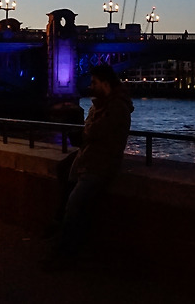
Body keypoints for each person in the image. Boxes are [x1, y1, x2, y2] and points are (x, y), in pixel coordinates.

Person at [48, 64, 134, 267]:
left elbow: (95, 132)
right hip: (88, 158)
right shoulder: (100, 105)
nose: (90, 86)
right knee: (65, 176)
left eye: (94, 83)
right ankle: (60, 232)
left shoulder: (117, 108)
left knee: (74, 206)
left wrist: (81, 132)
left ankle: (65, 253)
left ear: (105, 84)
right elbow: (90, 132)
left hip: (101, 164)